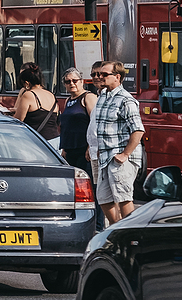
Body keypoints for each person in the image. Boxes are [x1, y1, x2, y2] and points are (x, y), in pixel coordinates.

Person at [91, 60, 145, 225]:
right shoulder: (103, 96)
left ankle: (130, 231)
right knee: (103, 198)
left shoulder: (125, 100)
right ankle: (117, 228)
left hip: (120, 157)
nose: (100, 77)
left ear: (117, 77)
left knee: (123, 197)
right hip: (106, 156)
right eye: (99, 74)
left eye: (104, 74)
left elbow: (138, 130)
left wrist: (125, 154)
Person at [11, 62, 61, 144]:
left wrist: (7, 115)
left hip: (38, 142)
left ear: (27, 83)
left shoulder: (29, 95)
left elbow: (18, 120)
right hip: (54, 141)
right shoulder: (51, 95)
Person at [57, 67, 96, 171]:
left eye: (75, 80)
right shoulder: (68, 100)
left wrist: (90, 147)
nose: (72, 84)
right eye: (67, 81)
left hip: (83, 148)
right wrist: (64, 148)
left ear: (81, 81)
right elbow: (66, 125)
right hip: (70, 148)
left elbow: (95, 122)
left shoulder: (88, 97)